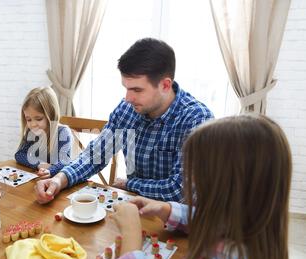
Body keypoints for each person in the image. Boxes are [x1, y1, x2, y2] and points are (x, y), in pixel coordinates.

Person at [107, 114, 291, 259]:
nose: (192, 179)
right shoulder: (261, 237)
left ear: (223, 186)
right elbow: (221, 220)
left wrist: (131, 233)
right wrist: (167, 210)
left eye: (198, 171)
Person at [35, 38, 213, 204]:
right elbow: (95, 156)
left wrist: (130, 184)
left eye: (137, 89)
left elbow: (179, 191)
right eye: (126, 88)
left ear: (165, 85)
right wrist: (59, 179)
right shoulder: (128, 108)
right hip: (136, 209)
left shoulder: (197, 119)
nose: (127, 98)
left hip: (181, 225)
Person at [15, 86, 72, 179]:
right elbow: (19, 154)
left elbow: (64, 162)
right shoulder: (32, 132)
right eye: (28, 119)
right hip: (38, 178)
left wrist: (50, 170)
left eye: (38, 119)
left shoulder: (63, 132)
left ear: (51, 114)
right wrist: (39, 164)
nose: (33, 124)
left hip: (56, 181)